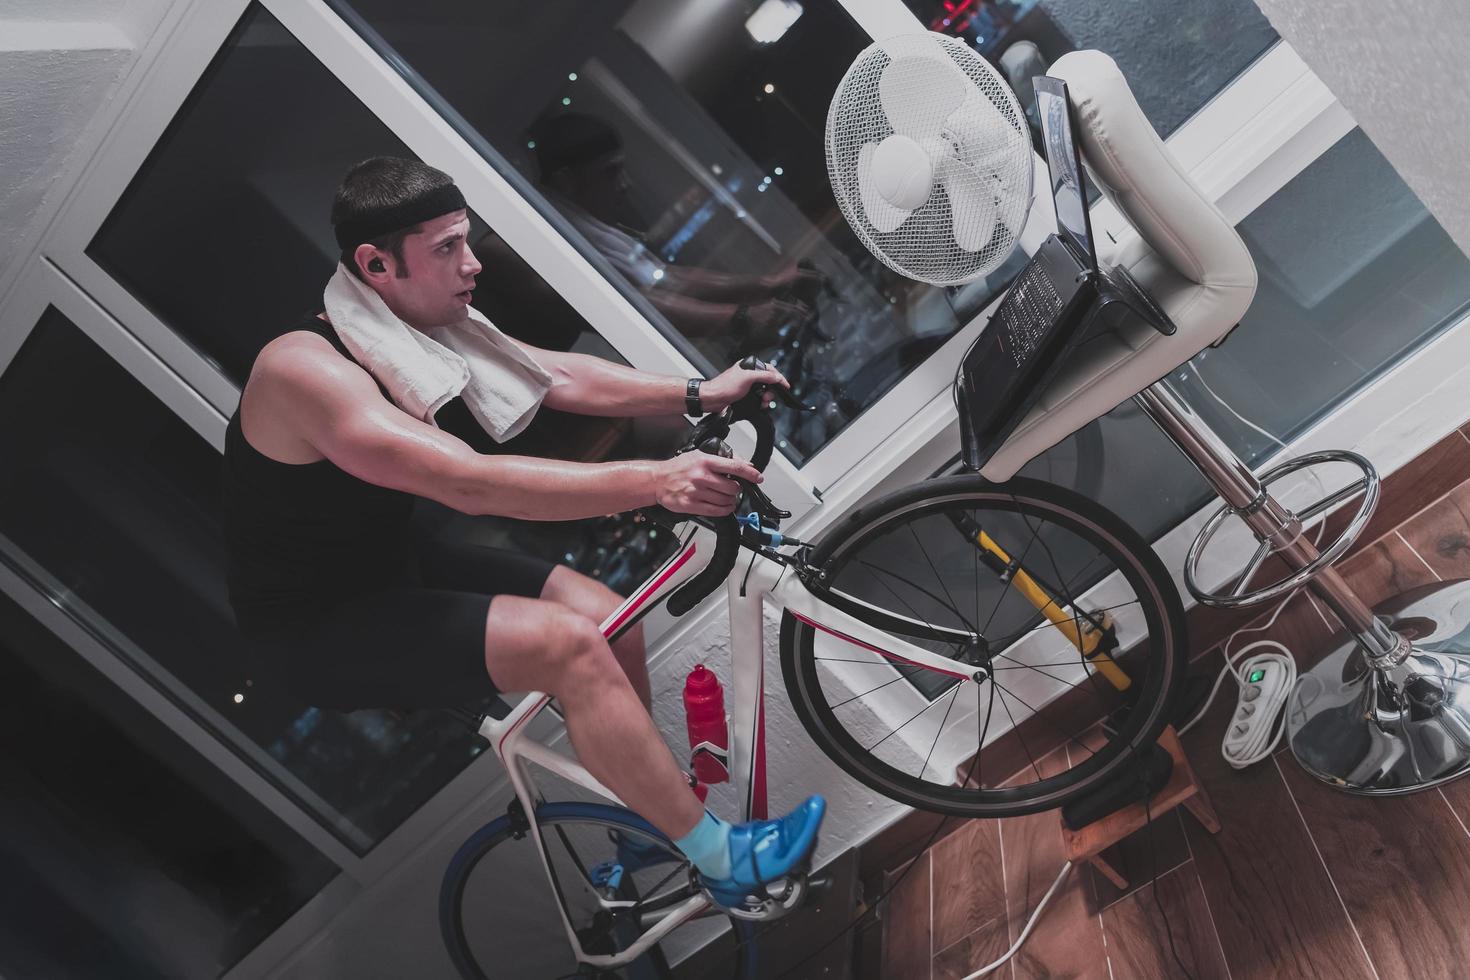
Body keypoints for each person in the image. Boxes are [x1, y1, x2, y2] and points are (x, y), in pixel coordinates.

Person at [221, 156, 823, 908]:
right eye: (446, 249)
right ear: (377, 265)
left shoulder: (416, 323)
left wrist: (699, 390)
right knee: (565, 647)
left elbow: (552, 376)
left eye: (465, 239)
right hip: (318, 626)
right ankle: (723, 860)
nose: (471, 264)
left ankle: (645, 836)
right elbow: (467, 482)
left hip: (392, 562)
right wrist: (656, 481)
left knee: (610, 618)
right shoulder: (303, 371)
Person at [529, 112, 825, 351]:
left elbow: (665, 278)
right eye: (610, 172)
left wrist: (766, 284)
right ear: (565, 180)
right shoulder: (534, 244)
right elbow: (636, 301)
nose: (626, 183)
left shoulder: (586, 230)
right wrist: (742, 317)